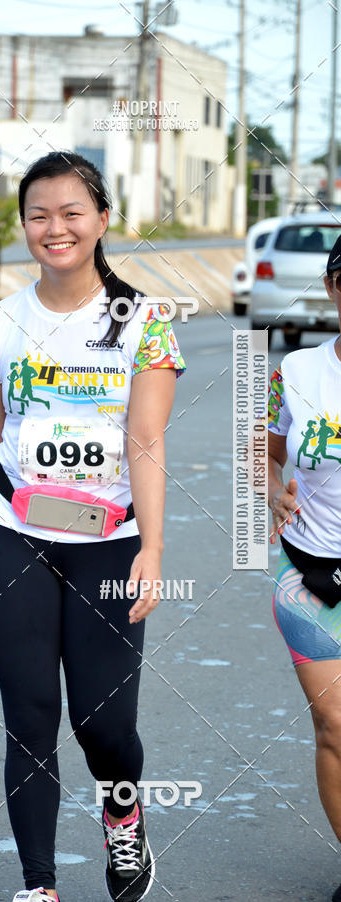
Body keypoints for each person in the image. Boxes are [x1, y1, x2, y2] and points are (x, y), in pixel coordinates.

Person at [0, 151, 186, 902]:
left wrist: (153, 548)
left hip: (106, 541)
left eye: (72, 212)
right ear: (24, 225)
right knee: (31, 715)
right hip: (15, 530)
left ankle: (124, 815)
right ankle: (38, 885)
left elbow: (145, 442)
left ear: (102, 220)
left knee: (103, 726)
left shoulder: (143, 323)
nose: (56, 228)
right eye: (39, 214)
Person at [268, 234, 341, 902]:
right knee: (336, 726)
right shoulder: (294, 372)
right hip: (314, 574)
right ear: (332, 288)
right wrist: (270, 490)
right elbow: (262, 446)